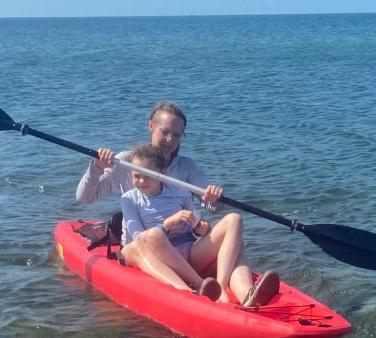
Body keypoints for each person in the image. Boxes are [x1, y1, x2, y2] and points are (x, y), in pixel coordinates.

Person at [119, 144, 279, 307]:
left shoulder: (180, 192)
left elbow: (194, 223)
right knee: (155, 234)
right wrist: (167, 224)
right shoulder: (129, 199)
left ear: (162, 173)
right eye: (136, 176)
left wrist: (201, 228)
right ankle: (199, 286)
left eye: (147, 176)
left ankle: (237, 291)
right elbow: (137, 237)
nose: (141, 181)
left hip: (189, 254)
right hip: (160, 258)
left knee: (234, 221)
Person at [75, 100, 223, 208]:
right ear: (151, 126)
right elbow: (85, 198)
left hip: (179, 235)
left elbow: (212, 208)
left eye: (176, 135)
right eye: (164, 132)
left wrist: (215, 199)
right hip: (143, 236)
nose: (170, 139)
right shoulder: (126, 161)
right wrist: (97, 168)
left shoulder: (188, 167)